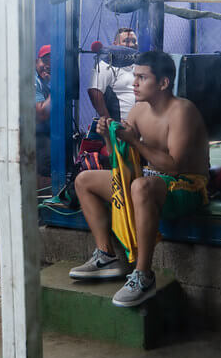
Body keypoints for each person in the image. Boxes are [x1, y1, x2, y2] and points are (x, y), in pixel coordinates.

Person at [71, 50, 210, 307]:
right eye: (134, 76)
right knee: (84, 181)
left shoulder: (182, 111)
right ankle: (106, 255)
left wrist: (134, 140)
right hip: (151, 181)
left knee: (140, 185)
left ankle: (143, 274)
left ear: (163, 83)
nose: (134, 83)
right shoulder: (137, 111)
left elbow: (175, 166)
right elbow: (118, 160)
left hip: (188, 186)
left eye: (142, 77)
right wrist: (107, 137)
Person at [87, 27, 137, 123]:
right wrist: (109, 122)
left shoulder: (139, 66)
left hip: (140, 127)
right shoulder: (106, 64)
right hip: (120, 127)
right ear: (115, 45)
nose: (131, 45)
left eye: (134, 41)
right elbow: (94, 91)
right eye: (126, 41)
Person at [34, 44, 52, 179]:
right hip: (33, 136)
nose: (48, 65)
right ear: (37, 62)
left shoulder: (45, 81)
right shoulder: (32, 80)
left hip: (44, 135)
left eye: (53, 62)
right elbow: (41, 113)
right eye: (45, 60)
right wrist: (58, 86)